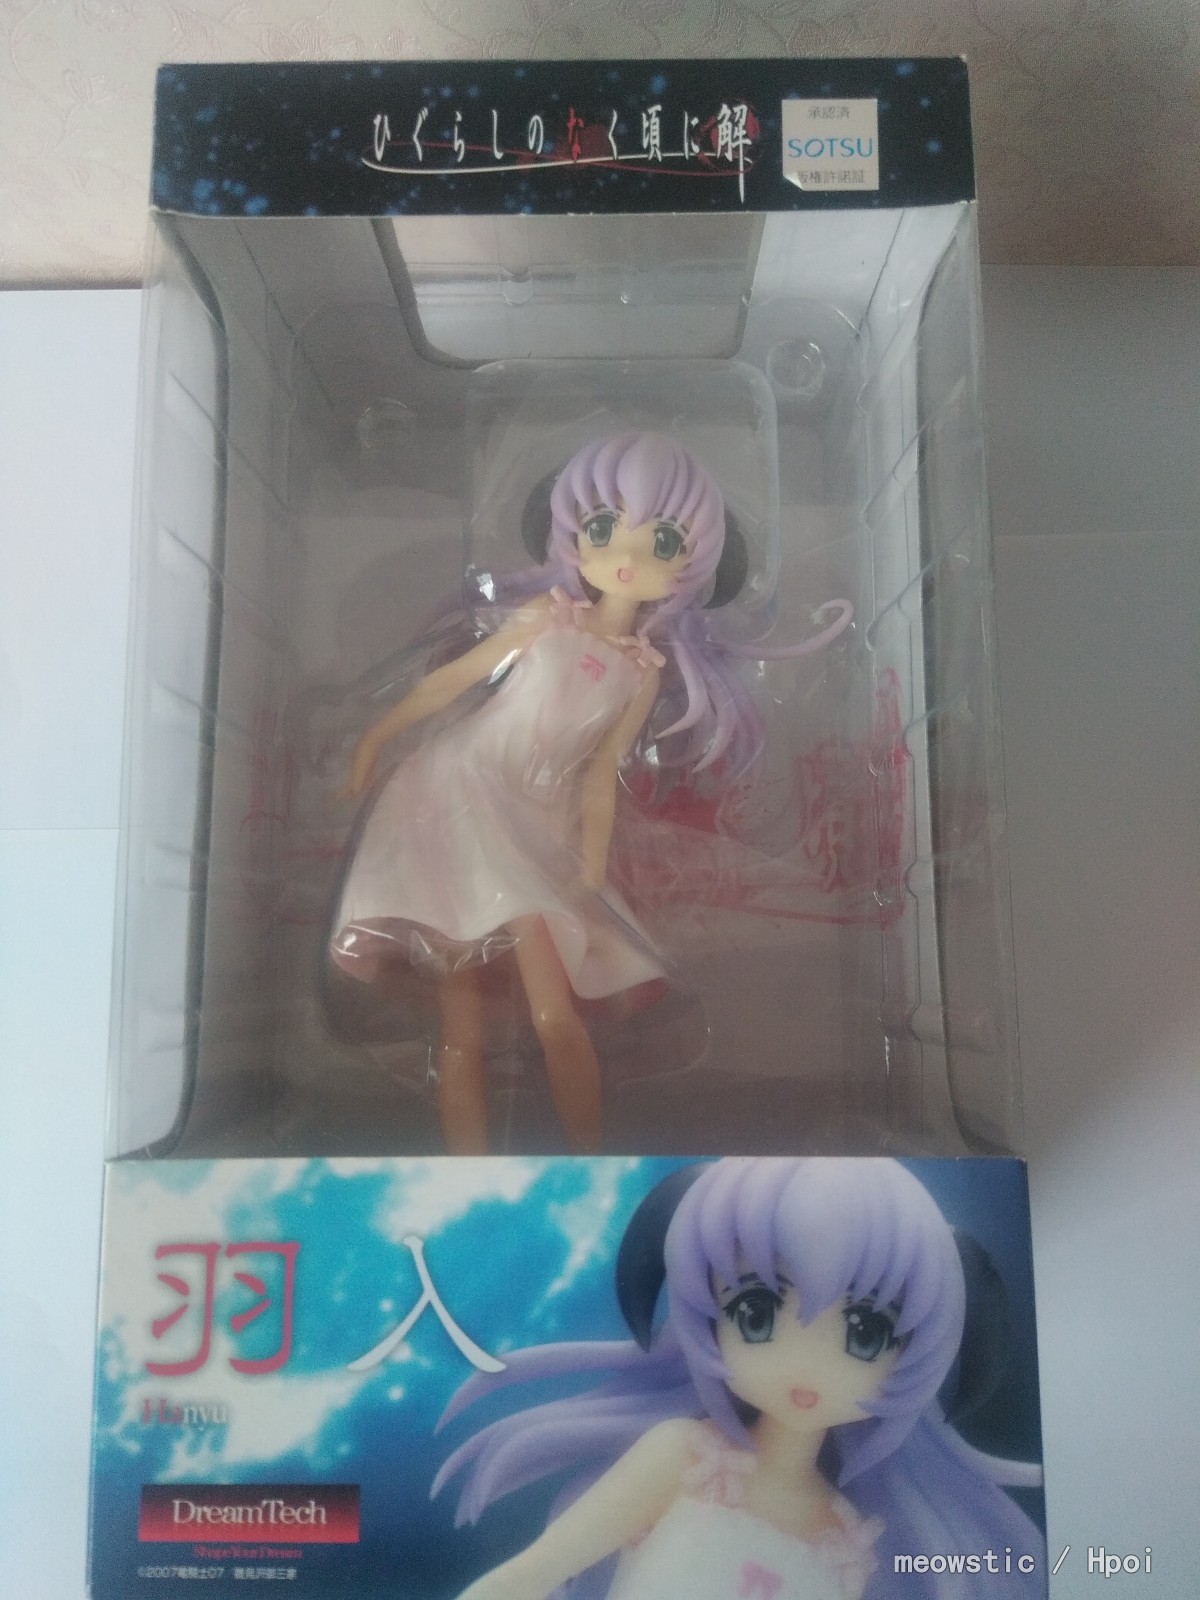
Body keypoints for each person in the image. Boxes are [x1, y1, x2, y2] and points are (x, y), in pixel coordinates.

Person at [332, 436, 851, 1153]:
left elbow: (604, 769)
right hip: (458, 792)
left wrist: (591, 864)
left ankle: (588, 1159)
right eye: (603, 528)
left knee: (554, 1016)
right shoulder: (543, 621)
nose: (627, 554)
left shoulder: (640, 671)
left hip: (537, 817)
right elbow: (451, 683)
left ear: (690, 565)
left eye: (662, 541)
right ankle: (470, 1173)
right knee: (462, 1028)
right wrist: (375, 738)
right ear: (574, 536)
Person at [434, 1157, 1045, 1599]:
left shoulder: (846, 1537)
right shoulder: (683, 1457)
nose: (807, 1362)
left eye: (866, 1334)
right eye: (757, 1313)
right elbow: (532, 1574)